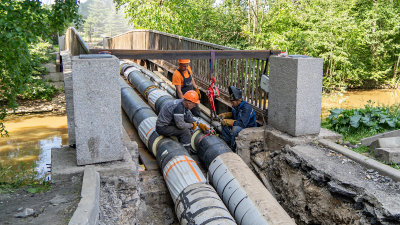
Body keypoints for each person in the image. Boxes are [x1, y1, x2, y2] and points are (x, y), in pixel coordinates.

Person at [218, 86, 257, 151]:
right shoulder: (236, 105)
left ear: (239, 100)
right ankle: (227, 143)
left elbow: (242, 124)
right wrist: (226, 115)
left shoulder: (246, 108)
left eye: (233, 102)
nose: (231, 104)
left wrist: (229, 122)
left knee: (235, 129)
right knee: (224, 124)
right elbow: (234, 115)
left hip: (248, 128)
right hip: (240, 124)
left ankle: (233, 148)